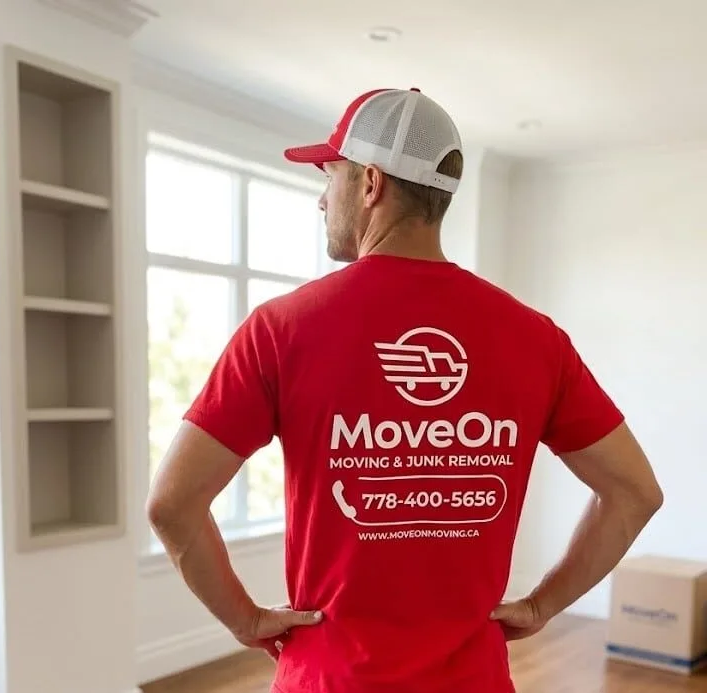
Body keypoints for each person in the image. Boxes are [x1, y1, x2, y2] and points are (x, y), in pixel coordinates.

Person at [146, 87, 663, 693]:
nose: (322, 199)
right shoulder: (535, 338)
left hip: (331, 680)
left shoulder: (282, 329)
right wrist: (542, 605)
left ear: (370, 183)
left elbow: (171, 504)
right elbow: (634, 493)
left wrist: (246, 620)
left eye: (330, 176)